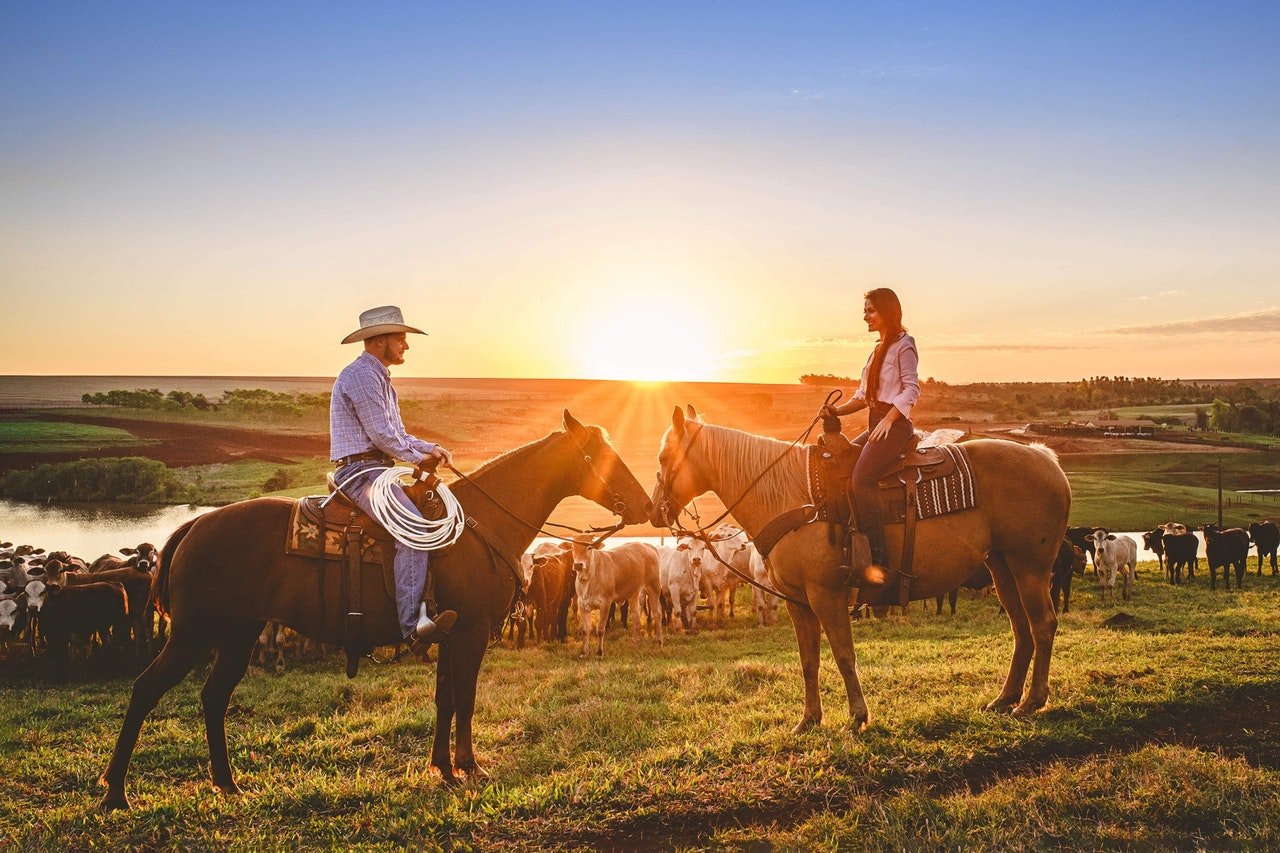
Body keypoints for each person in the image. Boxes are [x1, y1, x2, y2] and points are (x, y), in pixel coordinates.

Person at [331, 305, 458, 643]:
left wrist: (430, 448)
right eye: (400, 339)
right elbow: (382, 436)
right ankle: (410, 627)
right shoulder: (360, 376)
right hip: (361, 473)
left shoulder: (380, 378)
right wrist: (418, 459)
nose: (406, 345)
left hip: (376, 469)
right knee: (414, 527)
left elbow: (397, 433)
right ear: (378, 341)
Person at [821, 288, 920, 577]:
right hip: (876, 422)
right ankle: (850, 539)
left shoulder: (905, 345)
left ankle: (879, 557)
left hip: (895, 425)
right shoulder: (877, 349)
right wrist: (835, 411)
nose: (865, 315)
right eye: (865, 310)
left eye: (871, 310)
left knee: (861, 478)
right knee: (843, 461)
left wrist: (889, 419)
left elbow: (912, 388)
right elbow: (864, 396)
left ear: (887, 312)